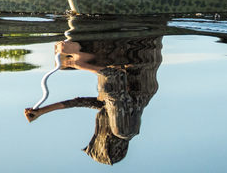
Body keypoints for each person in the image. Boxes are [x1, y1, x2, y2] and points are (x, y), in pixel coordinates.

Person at [24, 36, 163, 165]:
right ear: (102, 144)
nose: (93, 136)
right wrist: (78, 61)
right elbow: (115, 76)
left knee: (66, 61)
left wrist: (42, 111)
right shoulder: (122, 130)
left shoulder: (119, 124)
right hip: (135, 48)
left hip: (126, 52)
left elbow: (81, 102)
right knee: (68, 61)